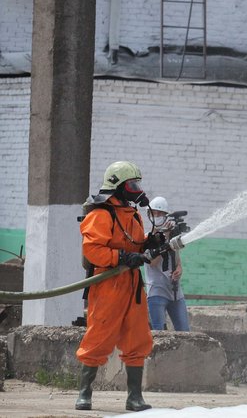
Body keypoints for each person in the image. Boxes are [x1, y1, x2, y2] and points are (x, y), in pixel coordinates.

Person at [75, 161, 156, 412]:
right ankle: (84, 394)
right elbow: (93, 250)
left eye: (138, 184)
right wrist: (121, 258)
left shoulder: (133, 215)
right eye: (132, 184)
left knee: (137, 337)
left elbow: (135, 246)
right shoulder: (101, 213)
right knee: (99, 336)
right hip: (107, 282)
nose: (137, 189)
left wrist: (151, 242)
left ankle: (134, 398)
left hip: (133, 284)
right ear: (117, 186)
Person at [144, 196, 191, 332]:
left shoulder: (171, 236)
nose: (157, 216)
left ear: (166, 216)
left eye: (161, 214)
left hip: (176, 293)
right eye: (154, 213)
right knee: (158, 333)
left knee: (184, 332)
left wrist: (179, 269)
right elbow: (152, 262)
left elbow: (176, 257)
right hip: (156, 292)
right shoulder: (147, 238)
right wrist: (165, 239)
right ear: (149, 215)